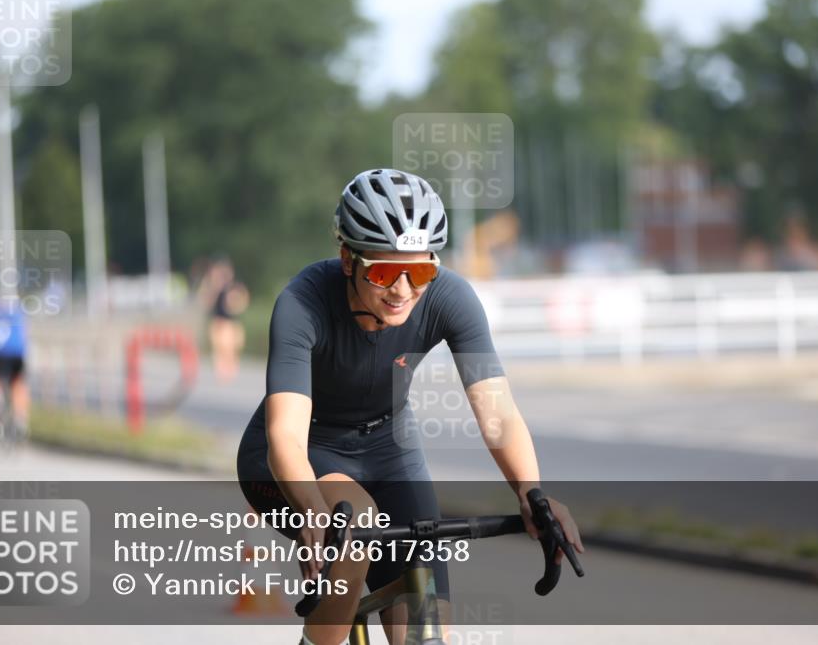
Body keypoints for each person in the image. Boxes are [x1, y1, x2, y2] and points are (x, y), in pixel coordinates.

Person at [236, 168, 583, 645]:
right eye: (382, 272)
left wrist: (532, 494)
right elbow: (286, 435)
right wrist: (312, 509)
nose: (402, 290)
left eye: (419, 272)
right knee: (351, 527)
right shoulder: (304, 301)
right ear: (346, 259)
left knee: (425, 631)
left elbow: (498, 412)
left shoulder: (450, 297)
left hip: (387, 448)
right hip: (298, 452)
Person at [0, 295, 30, 441]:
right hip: (16, 353)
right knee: (18, 383)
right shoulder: (18, 314)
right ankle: (21, 418)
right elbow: (25, 337)